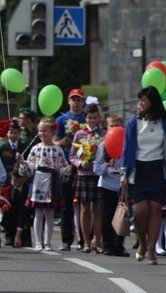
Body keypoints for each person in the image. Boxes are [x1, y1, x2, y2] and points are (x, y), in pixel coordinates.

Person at [120, 86, 166, 265]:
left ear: (152, 103)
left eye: (143, 100)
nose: (140, 103)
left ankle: (152, 250)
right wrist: (123, 173)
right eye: (139, 100)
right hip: (138, 170)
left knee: (156, 209)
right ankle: (142, 243)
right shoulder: (133, 122)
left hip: (157, 170)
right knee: (141, 211)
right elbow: (126, 148)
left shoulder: (165, 123)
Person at [20, 117, 72, 252]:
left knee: (50, 213)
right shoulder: (35, 148)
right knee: (38, 212)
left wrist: (66, 169)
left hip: (52, 180)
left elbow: (61, 166)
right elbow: (30, 166)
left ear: (52, 132)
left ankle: (48, 242)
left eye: (45, 131)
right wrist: (22, 163)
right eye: (40, 131)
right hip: (38, 180)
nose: (42, 134)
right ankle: (38, 242)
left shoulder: (57, 150)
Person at [69, 102, 105, 253]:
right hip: (84, 174)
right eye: (90, 117)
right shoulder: (80, 134)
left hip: (98, 174)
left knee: (98, 209)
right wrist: (80, 163)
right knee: (84, 209)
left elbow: (108, 152)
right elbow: (72, 155)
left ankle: (97, 241)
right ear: (86, 118)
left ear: (99, 118)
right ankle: (85, 242)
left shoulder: (103, 134)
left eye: (95, 117)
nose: (92, 120)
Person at [55, 88, 87, 251]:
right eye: (73, 99)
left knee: (84, 205)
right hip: (66, 165)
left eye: (79, 100)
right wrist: (63, 141)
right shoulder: (62, 120)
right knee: (66, 204)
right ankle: (66, 239)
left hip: (84, 166)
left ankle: (85, 239)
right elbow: (54, 141)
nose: (76, 102)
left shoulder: (87, 119)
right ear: (68, 101)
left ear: (83, 102)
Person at [93, 113, 129, 257]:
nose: (114, 128)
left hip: (121, 184)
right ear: (107, 128)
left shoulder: (127, 144)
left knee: (122, 214)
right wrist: (108, 165)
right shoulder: (103, 145)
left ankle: (119, 245)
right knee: (107, 215)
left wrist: (124, 175)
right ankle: (108, 245)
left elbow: (129, 164)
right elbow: (97, 167)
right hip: (107, 183)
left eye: (117, 125)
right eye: (111, 126)